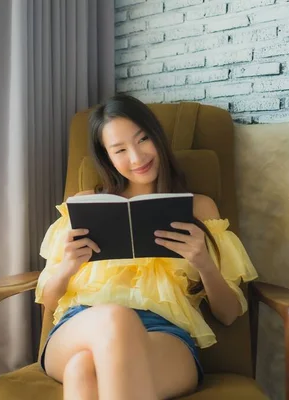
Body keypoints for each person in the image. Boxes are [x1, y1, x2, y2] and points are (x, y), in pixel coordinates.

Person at [35, 94, 259, 400]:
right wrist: (67, 267)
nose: (137, 158)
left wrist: (203, 261)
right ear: (107, 157)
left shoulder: (200, 208)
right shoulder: (84, 205)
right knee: (116, 319)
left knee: (82, 372)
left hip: (165, 334)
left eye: (142, 140)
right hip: (83, 323)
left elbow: (229, 314)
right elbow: (48, 301)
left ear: (157, 137)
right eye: (120, 150)